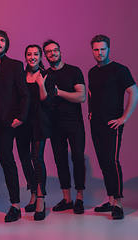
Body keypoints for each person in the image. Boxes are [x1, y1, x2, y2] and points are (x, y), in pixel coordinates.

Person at [88, 35, 138, 219]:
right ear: (92, 50)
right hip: (96, 124)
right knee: (103, 163)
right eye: (96, 49)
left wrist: (124, 117)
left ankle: (118, 204)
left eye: (103, 49)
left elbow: (135, 92)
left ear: (109, 49)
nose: (100, 53)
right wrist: (90, 111)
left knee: (112, 161)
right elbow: (91, 92)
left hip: (112, 124)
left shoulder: (120, 70)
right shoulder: (92, 72)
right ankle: (110, 201)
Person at [0, 30, 30, 222]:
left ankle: (15, 205)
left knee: (7, 162)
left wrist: (21, 118)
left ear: (6, 45)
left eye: (2, 40)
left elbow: (25, 94)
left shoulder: (15, 65)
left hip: (6, 123)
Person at [43, 39, 87, 214]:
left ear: (60, 51)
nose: (52, 53)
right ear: (45, 55)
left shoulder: (73, 71)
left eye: (55, 50)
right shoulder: (45, 75)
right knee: (60, 160)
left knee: (77, 158)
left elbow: (81, 96)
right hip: (54, 125)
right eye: (48, 52)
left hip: (75, 123)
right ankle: (67, 198)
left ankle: (79, 198)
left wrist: (58, 92)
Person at [16, 45, 55, 220]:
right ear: (25, 57)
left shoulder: (47, 76)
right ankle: (32, 192)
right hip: (22, 123)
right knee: (24, 158)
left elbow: (47, 103)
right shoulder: (20, 76)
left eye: (36, 54)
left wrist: (41, 84)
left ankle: (41, 198)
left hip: (39, 123)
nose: (32, 57)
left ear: (41, 57)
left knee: (36, 158)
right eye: (29, 54)